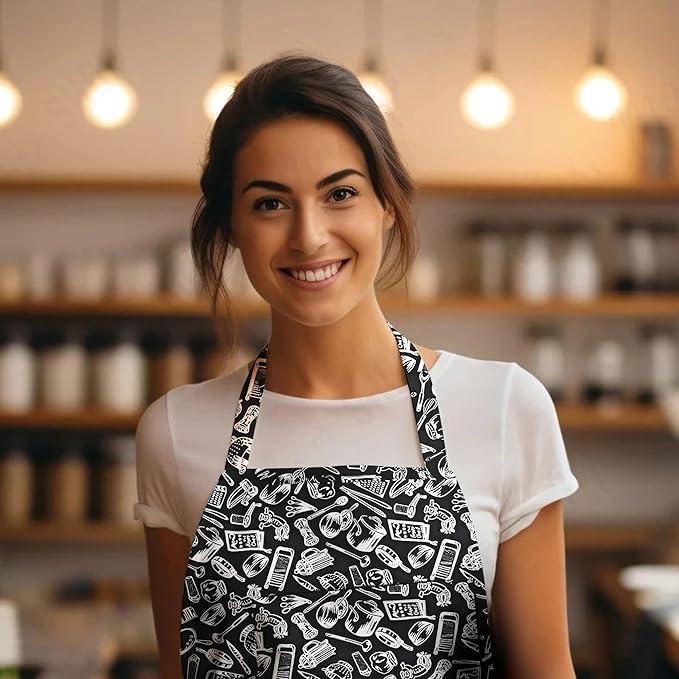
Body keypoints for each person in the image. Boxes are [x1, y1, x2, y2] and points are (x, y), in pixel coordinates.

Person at [134, 52, 580, 679]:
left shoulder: (505, 408)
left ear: (386, 204)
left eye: (340, 193)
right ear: (232, 225)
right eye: (269, 204)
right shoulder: (176, 432)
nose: (309, 236)